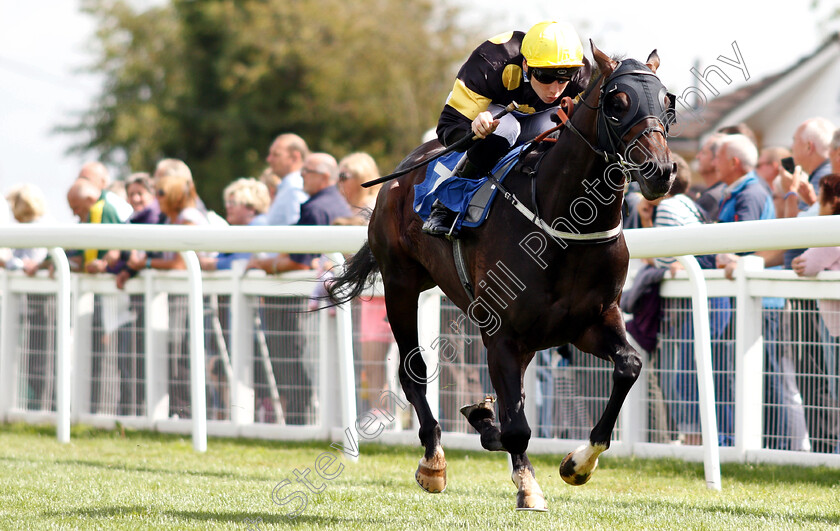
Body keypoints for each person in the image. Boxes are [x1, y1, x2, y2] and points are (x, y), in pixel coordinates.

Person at [424, 20, 592, 235]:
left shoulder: (581, 74)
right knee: (508, 127)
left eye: (563, 79)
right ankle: (445, 206)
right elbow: (447, 129)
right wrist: (472, 131)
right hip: (491, 108)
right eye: (546, 77)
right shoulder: (491, 60)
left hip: (536, 115)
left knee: (558, 127)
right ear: (525, 65)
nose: (555, 89)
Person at [249, 153, 351, 425]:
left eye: (307, 171)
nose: (301, 175)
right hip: (329, 299)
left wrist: (262, 263)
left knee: (297, 365)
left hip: (303, 301)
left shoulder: (315, 208)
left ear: (325, 176)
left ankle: (301, 425)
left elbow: (299, 260)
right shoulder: (337, 203)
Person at [791, 173, 840, 453]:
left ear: (832, 200)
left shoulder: (832, 232)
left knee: (837, 390)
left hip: (836, 328)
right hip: (833, 325)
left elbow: (805, 264)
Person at [3, 184, 54, 411]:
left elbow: (32, 264)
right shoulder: (32, 228)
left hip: (42, 303)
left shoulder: (36, 230)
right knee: (34, 360)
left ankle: (44, 408)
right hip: (33, 303)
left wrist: (8, 263)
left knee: (40, 362)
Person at [200, 177, 271, 271]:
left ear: (251, 208)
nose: (227, 206)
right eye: (227, 202)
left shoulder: (259, 225)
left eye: (232, 202)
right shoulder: (242, 229)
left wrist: (211, 264)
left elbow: (241, 261)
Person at [264, 133, 310, 226]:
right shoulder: (289, 186)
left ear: (295, 157)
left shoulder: (293, 187)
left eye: (276, 155)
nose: (269, 159)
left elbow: (297, 230)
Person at [333, 152, 381, 226]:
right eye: (338, 177)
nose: (338, 181)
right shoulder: (346, 207)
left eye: (343, 177)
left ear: (361, 179)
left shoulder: (375, 208)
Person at [694, 133, 726, 221]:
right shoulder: (724, 191)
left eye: (703, 153)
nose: (698, 157)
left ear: (716, 159)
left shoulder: (711, 198)